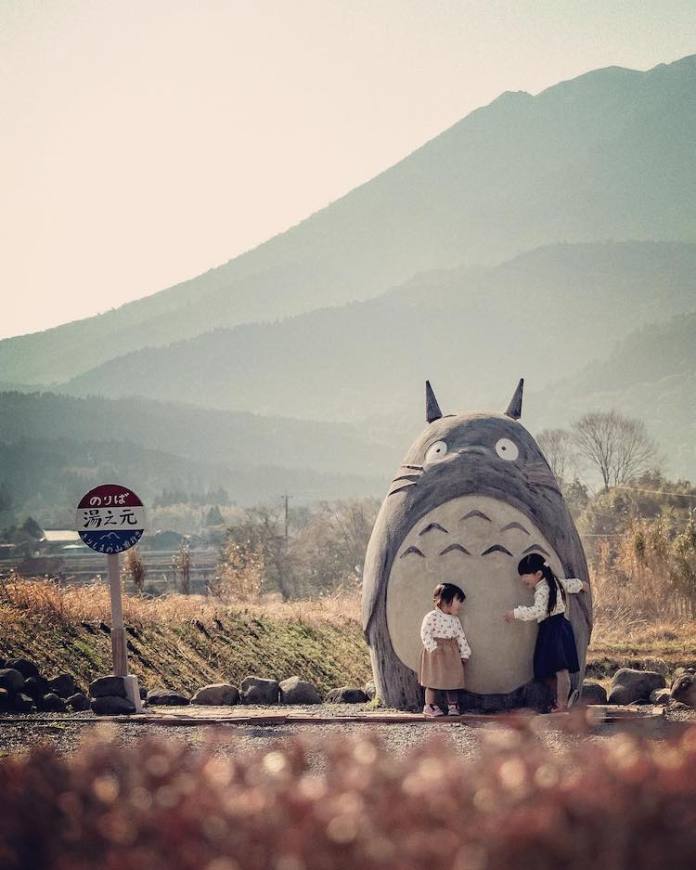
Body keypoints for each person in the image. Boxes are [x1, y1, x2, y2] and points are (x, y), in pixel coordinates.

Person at [504, 552, 589, 712]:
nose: (522, 580)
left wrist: (515, 613)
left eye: (525, 575)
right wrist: (582, 585)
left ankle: (563, 703)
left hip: (552, 629)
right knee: (553, 668)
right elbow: (571, 584)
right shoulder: (557, 583)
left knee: (560, 668)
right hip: (559, 627)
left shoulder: (543, 590)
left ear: (538, 574)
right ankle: (562, 699)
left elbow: (537, 611)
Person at [419, 582, 471, 718]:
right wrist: (432, 647)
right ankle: (429, 706)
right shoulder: (431, 617)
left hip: (451, 653)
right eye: (458, 600)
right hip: (435, 652)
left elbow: (460, 637)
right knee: (432, 679)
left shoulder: (455, 620)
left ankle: (453, 704)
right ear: (446, 600)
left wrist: (465, 653)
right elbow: (425, 633)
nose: (461, 605)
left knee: (452, 679)